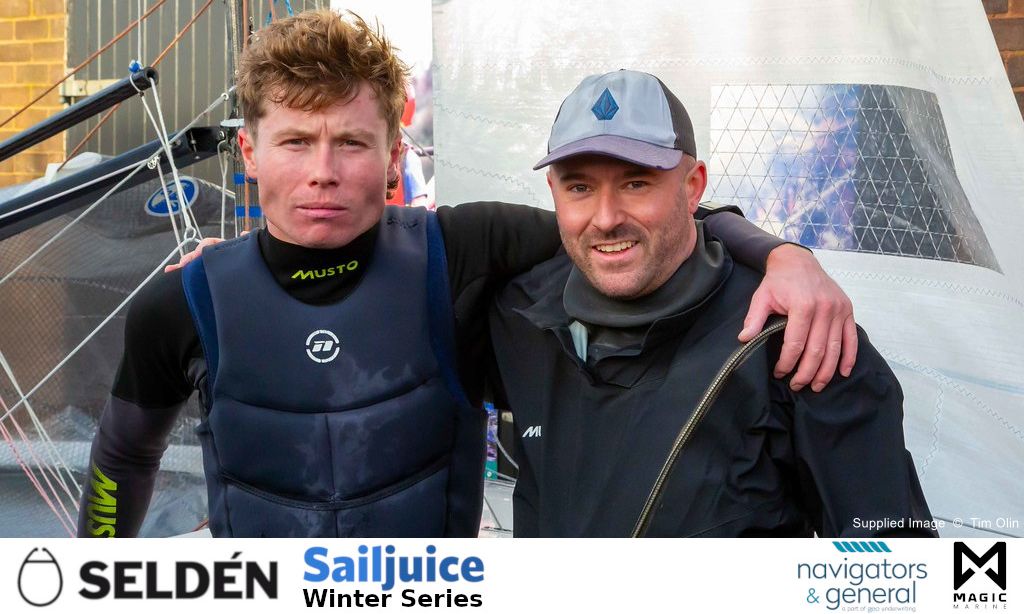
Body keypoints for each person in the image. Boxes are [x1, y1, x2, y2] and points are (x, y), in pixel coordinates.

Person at [78, 11, 857, 538]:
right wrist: (93, 581)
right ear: (249, 153)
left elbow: (625, 227)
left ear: (394, 156)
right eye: (295, 142)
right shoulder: (183, 303)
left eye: (351, 142)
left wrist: (782, 254)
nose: (322, 171)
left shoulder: (461, 248)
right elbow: (122, 460)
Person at [489, 70, 936, 537]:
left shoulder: (801, 339)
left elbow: (895, 565)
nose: (605, 219)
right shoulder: (519, 313)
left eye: (636, 184)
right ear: (554, 193)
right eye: (580, 188)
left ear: (692, 187)